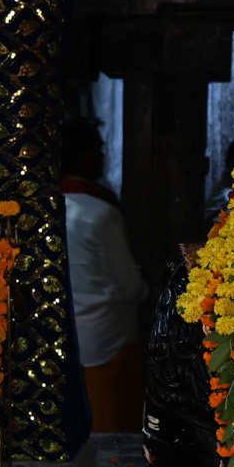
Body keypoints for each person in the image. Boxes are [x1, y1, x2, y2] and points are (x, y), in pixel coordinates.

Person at [61, 120, 150, 432]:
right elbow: (128, 286)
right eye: (97, 148)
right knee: (110, 423)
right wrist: (147, 288)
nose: (102, 155)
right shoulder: (99, 211)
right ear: (81, 155)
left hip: (62, 331)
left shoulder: (45, 207)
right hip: (106, 335)